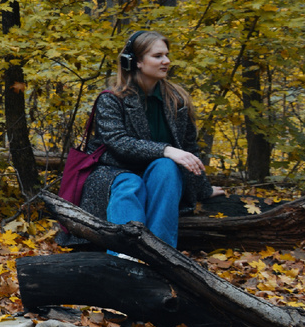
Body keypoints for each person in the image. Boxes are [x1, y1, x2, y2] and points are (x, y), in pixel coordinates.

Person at [77, 30, 224, 248]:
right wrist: (168, 150)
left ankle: (161, 254)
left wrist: (204, 189)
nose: (166, 61)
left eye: (166, 55)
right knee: (131, 184)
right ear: (135, 61)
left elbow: (189, 148)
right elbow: (119, 144)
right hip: (114, 171)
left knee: (166, 166)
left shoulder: (177, 99)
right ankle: (125, 258)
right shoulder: (112, 99)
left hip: (161, 177)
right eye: (158, 56)